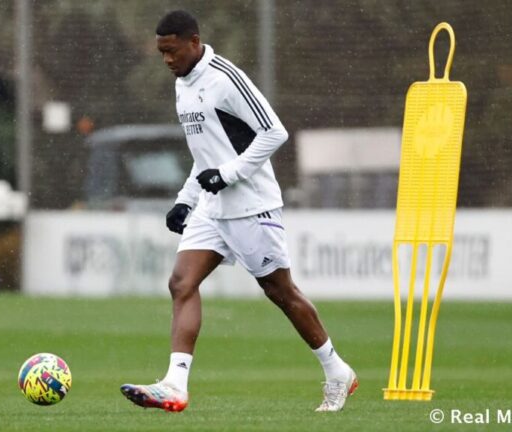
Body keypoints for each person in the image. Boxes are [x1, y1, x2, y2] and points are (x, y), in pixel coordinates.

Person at [120, 10, 357, 413]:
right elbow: (205, 154)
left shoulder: (226, 78)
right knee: (181, 283)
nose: (166, 60)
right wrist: (186, 198)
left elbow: (275, 132)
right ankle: (175, 385)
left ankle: (337, 371)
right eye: (161, 53)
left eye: (171, 51)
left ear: (194, 42)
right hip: (213, 208)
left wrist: (229, 174)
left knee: (281, 292)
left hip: (252, 206)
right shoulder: (183, 85)